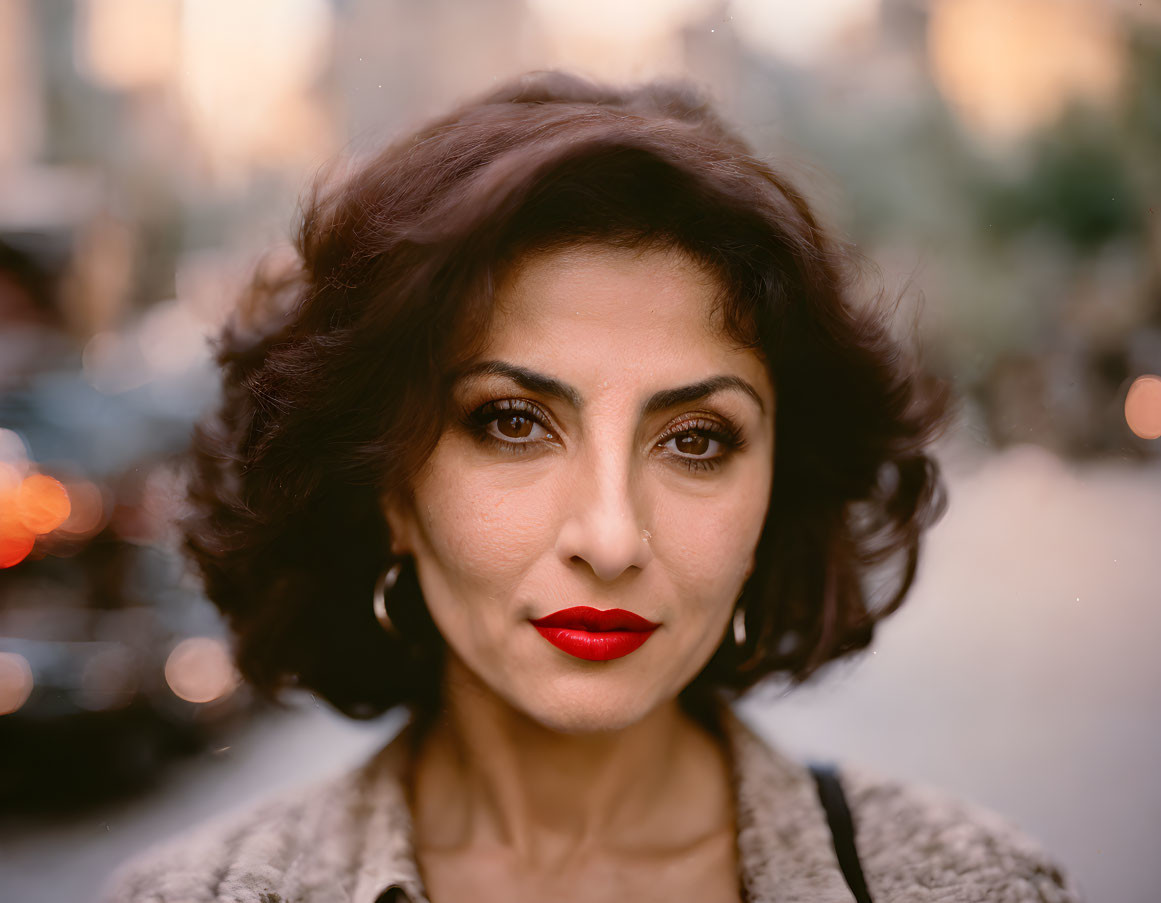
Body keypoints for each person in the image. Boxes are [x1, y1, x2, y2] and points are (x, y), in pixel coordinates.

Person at [100, 71, 1083, 903]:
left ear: (778, 492)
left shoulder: (974, 884)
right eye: (513, 423)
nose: (611, 538)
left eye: (697, 440)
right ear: (390, 488)